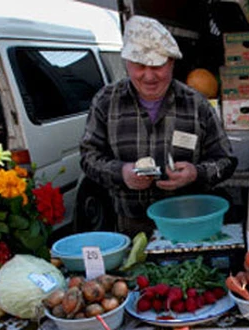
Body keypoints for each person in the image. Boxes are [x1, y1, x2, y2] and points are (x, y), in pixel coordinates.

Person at [79, 15, 237, 236]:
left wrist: (196, 174)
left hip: (189, 222)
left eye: (158, 66)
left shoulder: (196, 104)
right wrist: (121, 173)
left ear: (171, 63)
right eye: (139, 66)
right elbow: (88, 157)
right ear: (127, 63)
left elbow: (226, 161)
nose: (149, 76)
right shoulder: (106, 102)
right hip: (132, 226)